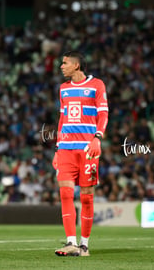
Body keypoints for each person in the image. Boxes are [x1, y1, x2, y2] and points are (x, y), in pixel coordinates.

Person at [52, 50, 109, 256]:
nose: (61, 66)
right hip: (66, 148)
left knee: (86, 198)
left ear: (76, 65)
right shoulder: (63, 89)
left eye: (65, 63)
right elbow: (62, 119)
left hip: (88, 149)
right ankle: (70, 242)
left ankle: (84, 246)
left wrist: (98, 137)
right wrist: (57, 149)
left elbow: (103, 113)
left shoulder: (97, 85)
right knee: (65, 193)